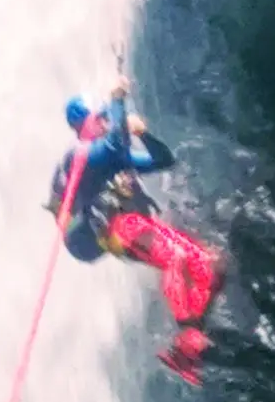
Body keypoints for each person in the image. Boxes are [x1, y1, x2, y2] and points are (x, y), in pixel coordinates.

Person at [45, 76, 223, 385]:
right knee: (175, 258)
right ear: (83, 125)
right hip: (116, 228)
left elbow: (163, 159)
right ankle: (187, 333)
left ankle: (186, 349)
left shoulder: (115, 155)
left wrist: (145, 133)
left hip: (140, 223)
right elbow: (115, 144)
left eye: (104, 117)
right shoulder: (81, 155)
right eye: (98, 117)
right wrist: (118, 101)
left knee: (206, 265)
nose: (104, 122)